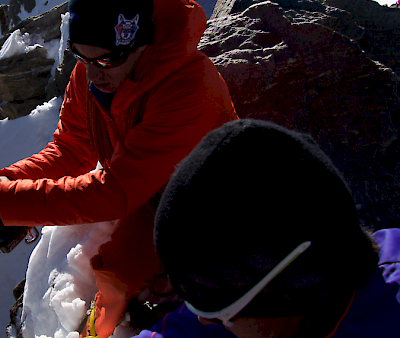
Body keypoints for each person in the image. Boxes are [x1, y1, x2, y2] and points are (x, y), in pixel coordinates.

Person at [0, 0, 238, 338]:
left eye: (109, 59)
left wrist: (6, 199)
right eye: (83, 58)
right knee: (116, 273)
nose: (95, 74)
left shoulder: (189, 87)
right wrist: (4, 182)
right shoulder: (93, 73)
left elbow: (114, 192)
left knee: (132, 276)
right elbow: (72, 147)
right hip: (150, 193)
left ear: (141, 39)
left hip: (208, 207)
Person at [138, 119, 400, 338]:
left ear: (292, 284)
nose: (205, 320)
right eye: (194, 299)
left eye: (217, 311)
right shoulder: (262, 300)